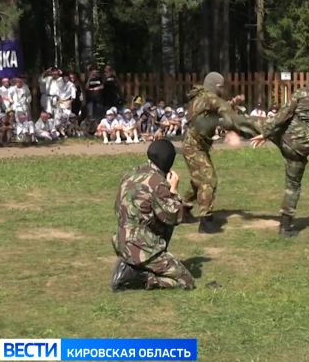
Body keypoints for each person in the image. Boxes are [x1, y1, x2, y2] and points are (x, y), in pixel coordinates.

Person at [250, 67, 309, 238]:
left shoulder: (302, 94)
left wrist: (266, 133)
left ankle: (224, 120)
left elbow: (283, 115)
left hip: (286, 137)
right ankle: (285, 227)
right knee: (293, 186)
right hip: (302, 149)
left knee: (252, 123)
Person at [181, 72, 262, 233]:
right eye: (221, 87)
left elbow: (216, 107)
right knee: (208, 179)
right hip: (194, 146)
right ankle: (206, 221)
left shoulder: (203, 97)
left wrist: (232, 103)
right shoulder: (209, 97)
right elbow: (224, 111)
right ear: (216, 86)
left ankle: (182, 209)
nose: (223, 90)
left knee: (199, 180)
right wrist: (257, 128)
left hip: (195, 144)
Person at [111, 139, 195, 291]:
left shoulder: (132, 172)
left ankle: (134, 265)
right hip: (142, 247)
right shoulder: (158, 183)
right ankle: (138, 277)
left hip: (122, 241)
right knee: (186, 281)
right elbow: (175, 216)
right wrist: (173, 190)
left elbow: (117, 207)